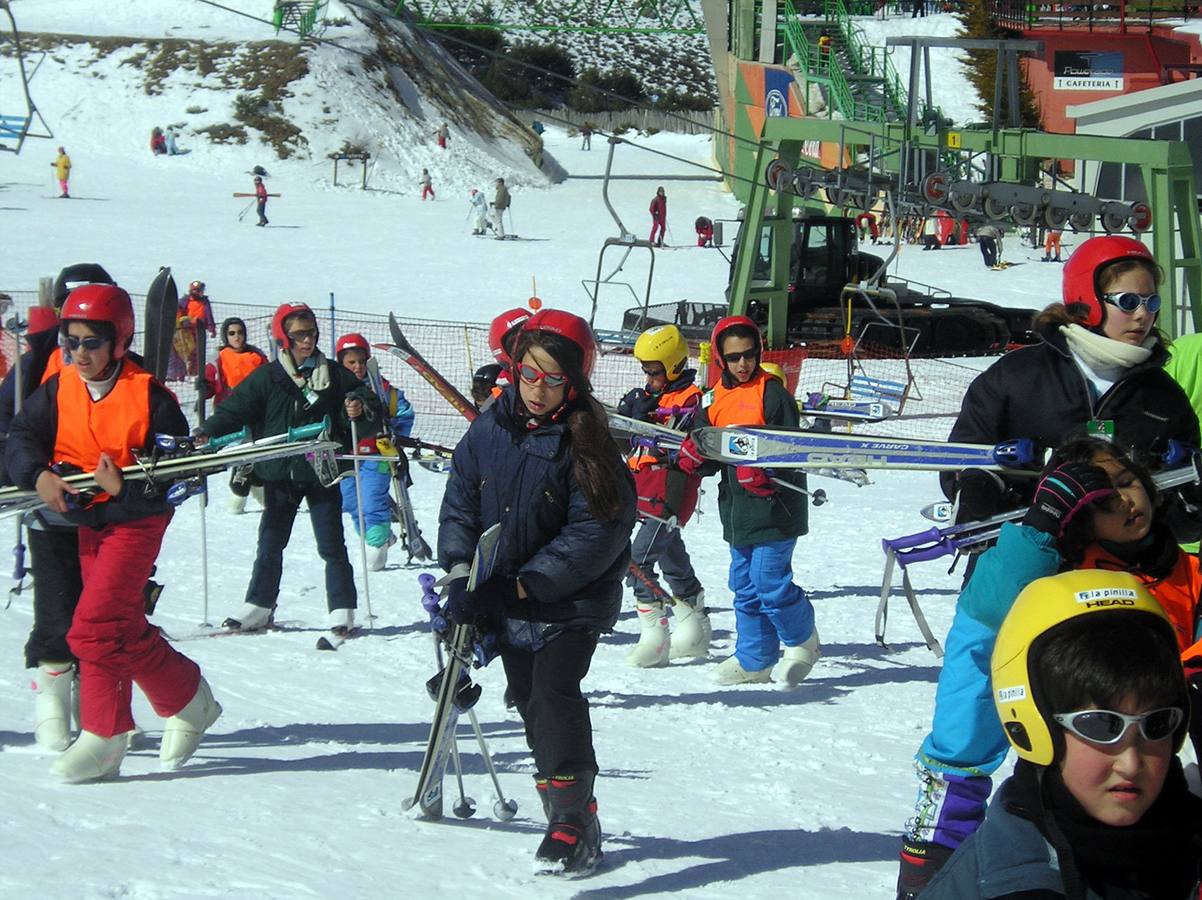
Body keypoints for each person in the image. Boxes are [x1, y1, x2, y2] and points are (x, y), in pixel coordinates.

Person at [898, 439, 1202, 898]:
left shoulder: (1187, 569)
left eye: (1127, 483)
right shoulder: (1065, 570)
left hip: (1161, 729)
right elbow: (991, 605)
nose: (1125, 501)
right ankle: (935, 855)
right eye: (1105, 499)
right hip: (1080, 739)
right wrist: (1040, 524)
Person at [438, 309, 635, 875]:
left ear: (573, 383)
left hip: (567, 601)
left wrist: (521, 584)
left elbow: (596, 532)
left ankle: (571, 824)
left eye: (554, 379)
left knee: (553, 692)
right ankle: (568, 810)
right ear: (513, 369)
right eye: (529, 374)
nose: (538, 389)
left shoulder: (587, 442)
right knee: (526, 700)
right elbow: (461, 506)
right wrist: (461, 574)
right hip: (504, 596)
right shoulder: (490, 428)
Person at [6, 284, 221, 782]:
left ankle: (106, 735)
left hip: (135, 523)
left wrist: (123, 487)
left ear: (119, 341)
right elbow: (21, 435)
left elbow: (178, 477)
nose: (79, 353)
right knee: (117, 626)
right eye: (70, 342)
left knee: (90, 629)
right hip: (89, 522)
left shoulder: (150, 396)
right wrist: (37, 474)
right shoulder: (60, 387)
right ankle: (188, 700)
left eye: (91, 342)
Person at [920, 568, 1202, 898]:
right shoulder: (1017, 886)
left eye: (1157, 724)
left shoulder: (1180, 837)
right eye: (1101, 725)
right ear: (1036, 726)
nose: (1131, 763)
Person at [941, 235, 1200, 539]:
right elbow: (962, 457)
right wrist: (977, 488)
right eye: (1128, 302)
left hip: (1120, 573)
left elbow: (1179, 529)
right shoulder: (1019, 376)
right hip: (1027, 559)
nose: (1143, 315)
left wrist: (1190, 502)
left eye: (1151, 302)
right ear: (1087, 299)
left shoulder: (1162, 396)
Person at [198, 302, 378, 637]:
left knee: (331, 543)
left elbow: (368, 410)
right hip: (279, 472)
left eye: (310, 333)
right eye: (298, 335)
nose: (306, 341)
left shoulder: (334, 375)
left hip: (321, 470)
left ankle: (342, 607)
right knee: (270, 541)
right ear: (284, 337)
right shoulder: (270, 376)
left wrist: (358, 409)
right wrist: (208, 430)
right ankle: (259, 604)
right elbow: (236, 408)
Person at [676, 316, 820, 685]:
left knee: (769, 582)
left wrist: (768, 469)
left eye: (750, 355)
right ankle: (754, 659)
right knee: (744, 585)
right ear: (721, 359)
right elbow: (704, 445)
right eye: (734, 357)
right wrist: (695, 457)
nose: (743, 364)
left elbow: (794, 451)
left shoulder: (772, 393)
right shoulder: (713, 398)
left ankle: (803, 642)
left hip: (776, 508)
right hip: (738, 510)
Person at [618, 324, 708, 668]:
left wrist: (650, 419)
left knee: (638, 560)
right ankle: (695, 628)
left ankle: (655, 637)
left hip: (669, 491)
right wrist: (628, 419)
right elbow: (630, 442)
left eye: (654, 371)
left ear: (672, 367)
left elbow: (684, 440)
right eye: (645, 370)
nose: (649, 377)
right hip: (644, 489)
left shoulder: (689, 398)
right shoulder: (651, 395)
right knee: (671, 557)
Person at [335, 333, 415, 571]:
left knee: (372, 500)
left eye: (361, 361)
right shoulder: (334, 390)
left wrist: (393, 432)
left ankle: (377, 545)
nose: (357, 367)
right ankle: (380, 535)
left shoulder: (382, 389)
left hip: (377, 454)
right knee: (349, 502)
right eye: (351, 363)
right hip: (347, 455)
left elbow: (404, 412)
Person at [204, 317, 269, 513]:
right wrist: (204, 386)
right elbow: (210, 384)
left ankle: (258, 489)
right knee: (242, 453)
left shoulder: (256, 356)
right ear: (226, 335)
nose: (237, 337)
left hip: (257, 411)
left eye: (240, 332)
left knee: (257, 452)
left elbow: (268, 379)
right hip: (230, 412)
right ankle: (239, 492)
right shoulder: (219, 358)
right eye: (232, 333)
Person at [172, 281, 216, 380]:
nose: (197, 292)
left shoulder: (204, 302)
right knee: (184, 350)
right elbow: (178, 312)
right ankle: (180, 373)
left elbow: (209, 316)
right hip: (185, 330)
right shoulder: (184, 301)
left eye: (199, 290)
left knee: (197, 351)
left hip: (199, 330)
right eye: (194, 290)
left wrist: (211, 328)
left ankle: (195, 372)